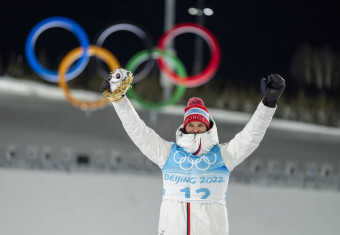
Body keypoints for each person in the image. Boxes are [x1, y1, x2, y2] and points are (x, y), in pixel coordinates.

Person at [100, 69, 285, 235]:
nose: (195, 129)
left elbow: (250, 136)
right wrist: (119, 100)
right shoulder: (168, 154)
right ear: (185, 127)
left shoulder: (223, 156)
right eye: (191, 125)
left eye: (200, 125)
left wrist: (268, 103)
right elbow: (138, 131)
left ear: (207, 127)